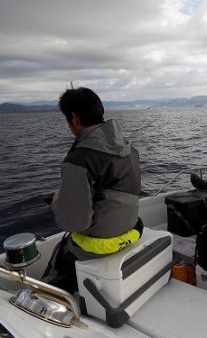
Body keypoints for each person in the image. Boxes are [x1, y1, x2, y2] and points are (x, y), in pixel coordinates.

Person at [43, 86, 142, 291]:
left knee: (60, 256)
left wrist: (57, 203)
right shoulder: (130, 150)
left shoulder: (79, 159)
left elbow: (74, 222)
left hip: (99, 245)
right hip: (132, 230)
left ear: (74, 118)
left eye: (67, 120)